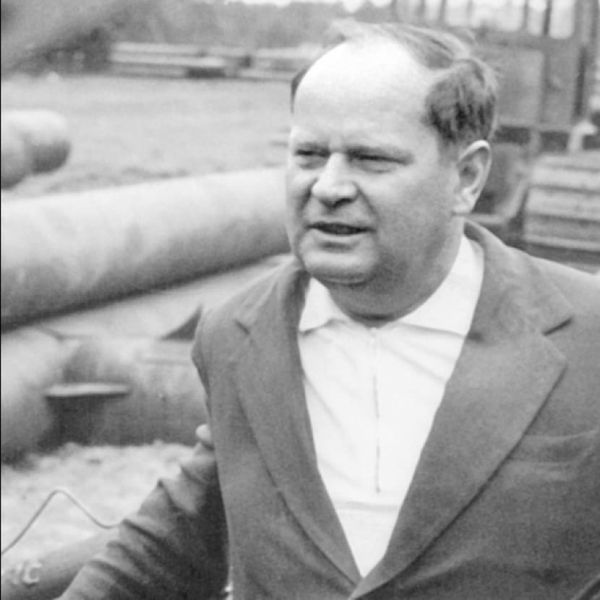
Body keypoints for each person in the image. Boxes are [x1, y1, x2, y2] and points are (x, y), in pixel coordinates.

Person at [61, 21, 600, 600]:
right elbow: (188, 533)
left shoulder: (585, 335)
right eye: (309, 154)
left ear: (466, 178)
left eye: (371, 159)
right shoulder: (236, 335)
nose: (328, 186)